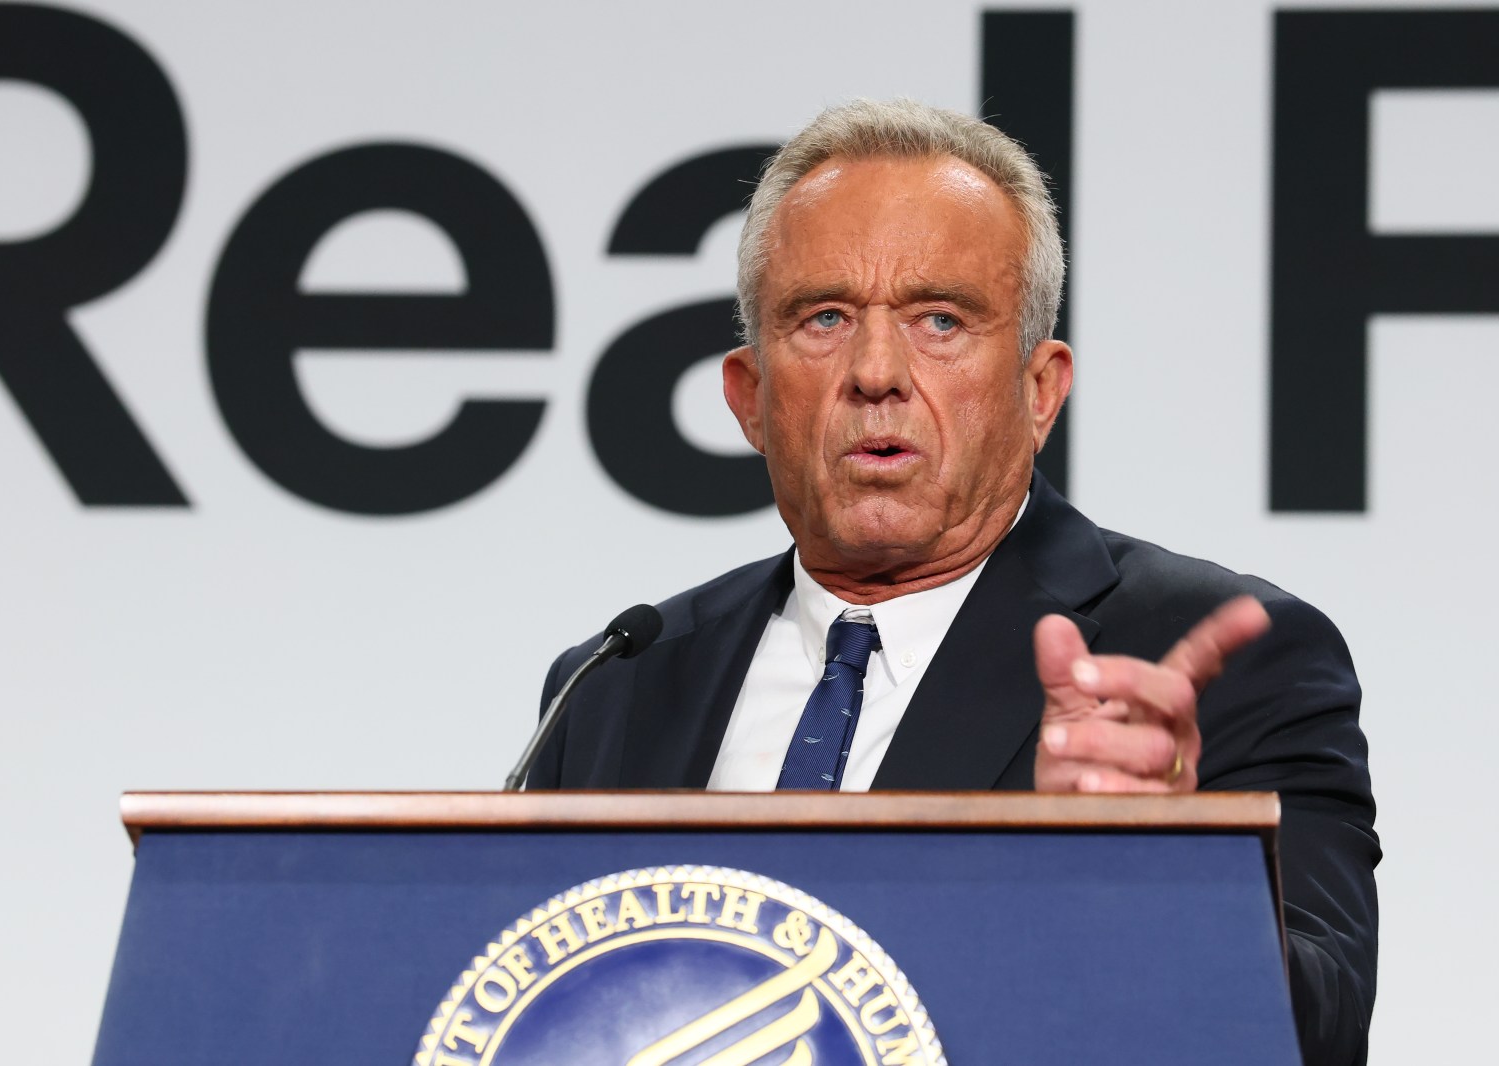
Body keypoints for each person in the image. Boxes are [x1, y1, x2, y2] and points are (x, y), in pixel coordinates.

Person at [530, 99, 1377, 1064]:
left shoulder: (1220, 659)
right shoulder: (616, 685)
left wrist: (1161, 867)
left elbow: (1321, 1034)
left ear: (1039, 389)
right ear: (750, 397)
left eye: (940, 319)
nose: (877, 372)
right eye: (825, 318)